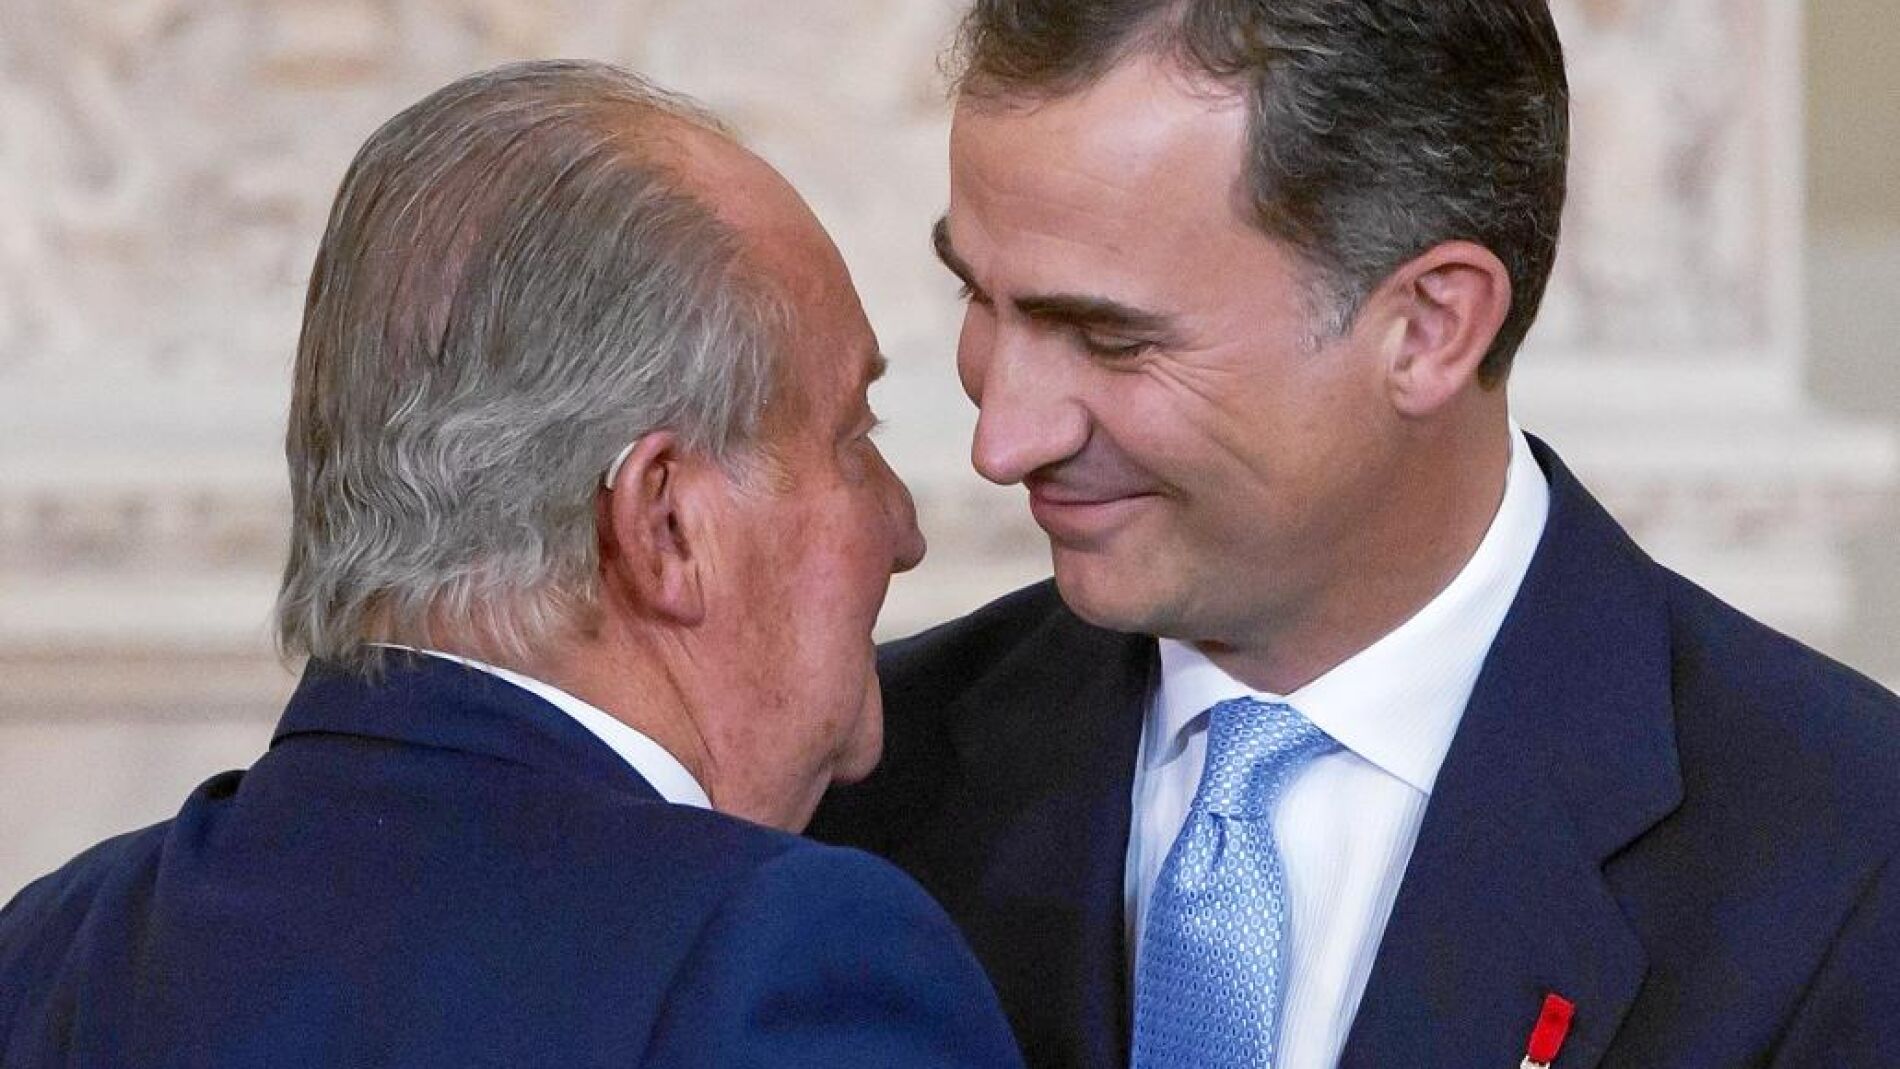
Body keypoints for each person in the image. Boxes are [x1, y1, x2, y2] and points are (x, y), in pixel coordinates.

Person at [807, 3, 1900, 1067]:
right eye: (977, 297)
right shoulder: (852, 786)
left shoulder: (1846, 861)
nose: (1002, 439)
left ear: (1429, 328)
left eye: (1109, 338)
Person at [0, 60, 1023, 1069]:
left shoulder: (48, 952)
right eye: (852, 435)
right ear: (664, 524)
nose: (902, 525)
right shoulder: (778, 962)